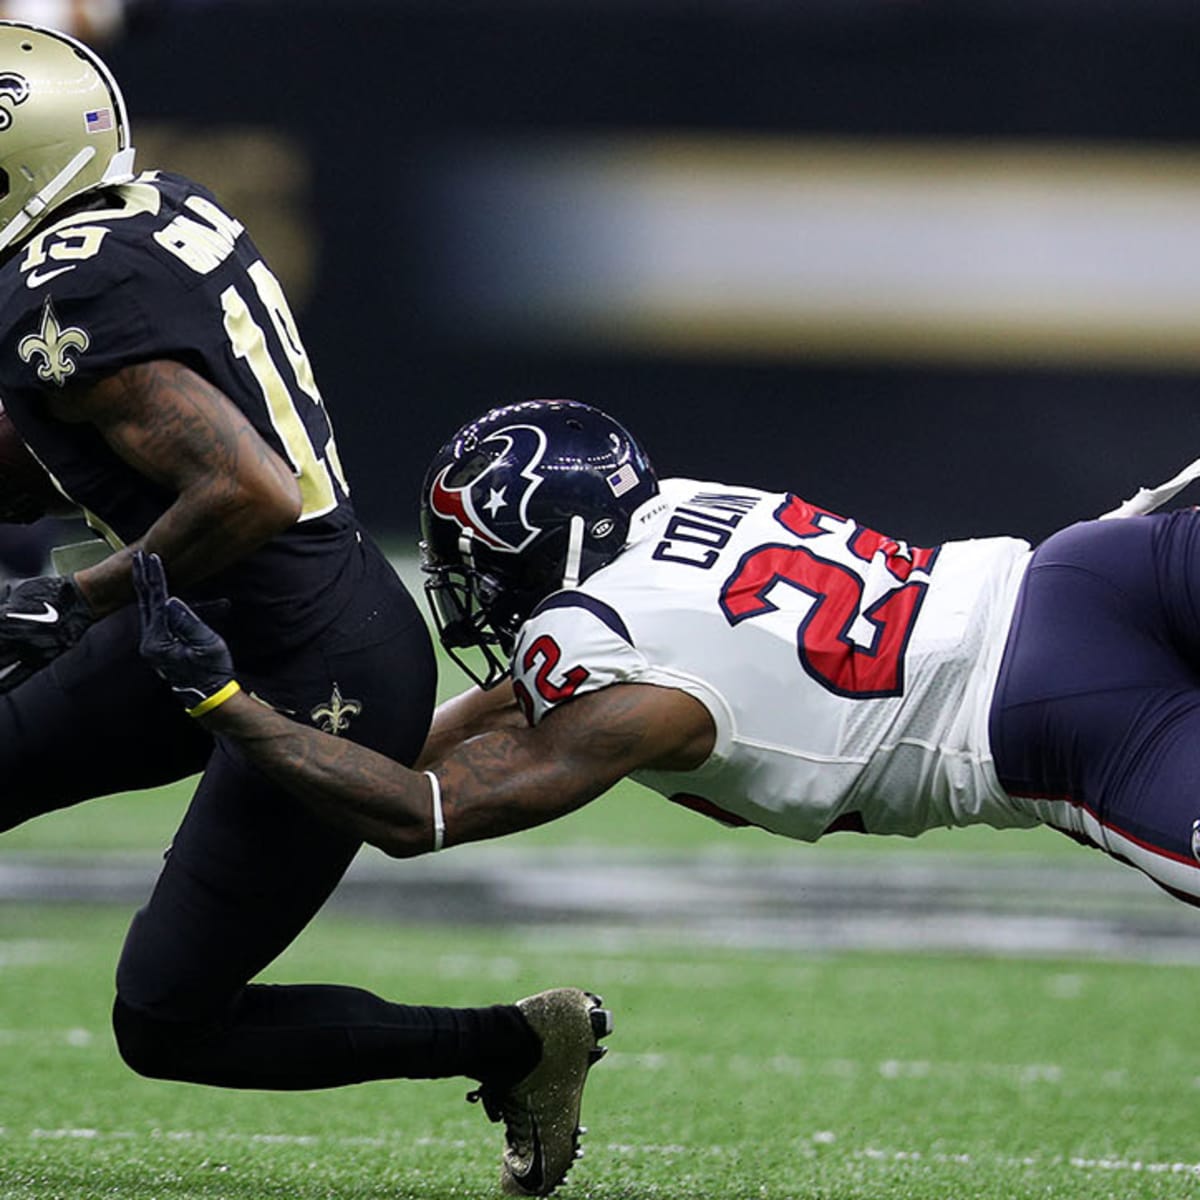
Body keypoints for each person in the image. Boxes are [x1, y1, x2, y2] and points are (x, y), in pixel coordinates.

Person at [0, 24, 609, 1199]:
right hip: (206, 612)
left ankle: (519, 1044)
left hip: (317, 662)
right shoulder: (146, 207)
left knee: (169, 1022)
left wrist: (71, 600)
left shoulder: (57, 284)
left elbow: (247, 490)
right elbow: (68, 433)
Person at [135, 397, 1200, 926]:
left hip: (1055, 720)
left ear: (543, 549)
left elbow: (419, 814)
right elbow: (541, 694)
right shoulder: (673, 508)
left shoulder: (617, 668)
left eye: (480, 562)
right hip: (1085, 569)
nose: (472, 590)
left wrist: (230, 702)